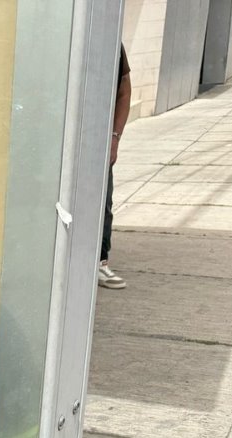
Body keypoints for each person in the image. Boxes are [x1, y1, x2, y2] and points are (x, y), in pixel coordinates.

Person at [100, 46, 131, 290]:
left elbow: (124, 91)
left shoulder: (107, 40)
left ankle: (99, 261)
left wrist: (114, 137)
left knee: (101, 202)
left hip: (96, 138)